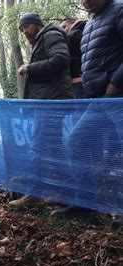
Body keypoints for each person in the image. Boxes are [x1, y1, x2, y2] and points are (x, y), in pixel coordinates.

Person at [55, 0, 123, 214]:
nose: (85, 1)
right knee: (77, 141)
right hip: (97, 100)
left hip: (117, 95)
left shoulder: (119, 9)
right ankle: (85, 203)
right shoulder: (91, 22)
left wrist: (116, 83)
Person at [10, 12, 74, 206]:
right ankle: (68, 192)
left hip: (52, 101)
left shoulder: (51, 34)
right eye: (21, 30)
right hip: (47, 101)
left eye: (26, 27)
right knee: (54, 147)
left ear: (36, 24)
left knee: (38, 145)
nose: (24, 32)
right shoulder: (40, 41)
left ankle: (34, 193)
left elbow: (61, 59)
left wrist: (29, 68)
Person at [60, 17, 87, 99]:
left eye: (64, 27)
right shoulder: (86, 31)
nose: (63, 31)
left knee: (80, 108)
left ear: (72, 23)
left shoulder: (71, 36)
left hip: (77, 79)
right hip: (88, 78)